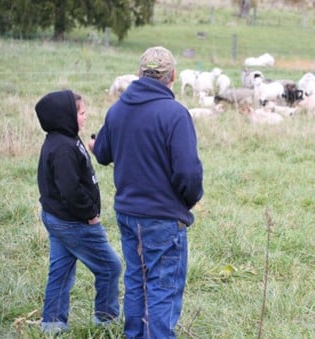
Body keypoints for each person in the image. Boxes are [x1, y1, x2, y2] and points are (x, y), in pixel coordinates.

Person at [90, 46, 204, 338]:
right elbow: (188, 172)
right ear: (173, 76)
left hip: (128, 213)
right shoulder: (175, 114)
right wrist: (187, 201)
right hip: (163, 216)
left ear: (139, 74)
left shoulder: (118, 109)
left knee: (137, 281)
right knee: (162, 286)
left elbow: (102, 153)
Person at [35, 90, 122, 334]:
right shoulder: (62, 147)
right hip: (73, 221)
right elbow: (70, 190)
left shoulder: (64, 138)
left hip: (57, 217)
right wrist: (90, 215)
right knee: (110, 267)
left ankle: (52, 325)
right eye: (81, 113)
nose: (86, 116)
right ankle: (106, 321)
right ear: (65, 116)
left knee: (61, 270)